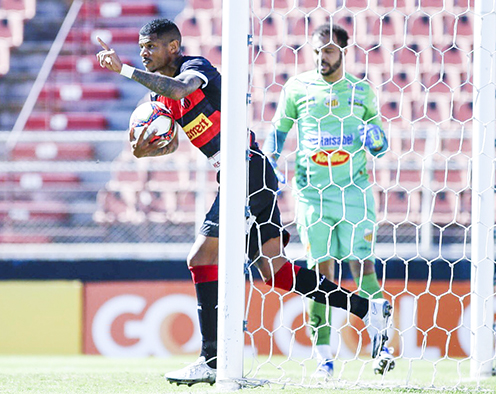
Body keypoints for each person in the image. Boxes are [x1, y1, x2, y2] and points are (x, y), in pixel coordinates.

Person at [96, 18, 393, 386]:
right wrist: (144, 151)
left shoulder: (195, 69)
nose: (143, 54)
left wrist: (124, 70)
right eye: (140, 48)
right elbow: (171, 140)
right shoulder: (160, 97)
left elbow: (179, 91)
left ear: (173, 47)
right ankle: (369, 309)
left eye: (150, 47)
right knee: (276, 271)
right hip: (243, 175)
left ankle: (212, 358)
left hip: (247, 170)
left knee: (201, 257)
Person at [263, 23, 395, 377]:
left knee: (361, 267)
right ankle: (324, 358)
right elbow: (277, 132)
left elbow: (381, 146)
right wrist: (270, 167)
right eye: (318, 51)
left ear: (344, 51)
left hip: (355, 192)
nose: (322, 57)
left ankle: (381, 344)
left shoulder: (361, 91)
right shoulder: (298, 87)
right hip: (312, 194)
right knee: (321, 273)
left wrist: (376, 139)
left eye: (330, 51)